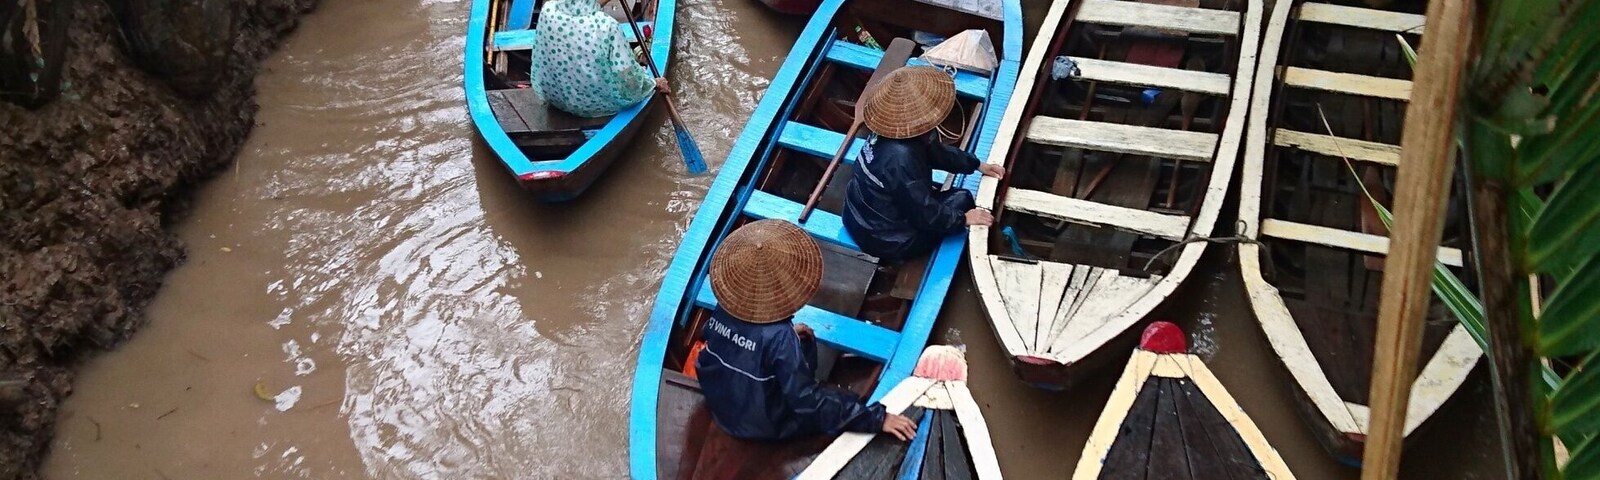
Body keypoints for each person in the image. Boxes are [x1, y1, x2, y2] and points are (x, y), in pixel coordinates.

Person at [695, 219, 918, 442]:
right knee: (835, 401)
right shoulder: (779, 336)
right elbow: (805, 402)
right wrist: (877, 419)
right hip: (763, 424)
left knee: (800, 346)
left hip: (719, 403)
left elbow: (738, 340)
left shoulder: (727, 305)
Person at [842, 66, 1005, 262]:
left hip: (856, 214)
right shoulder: (902, 157)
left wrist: (977, 164)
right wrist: (963, 218)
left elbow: (936, 153)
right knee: (962, 198)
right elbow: (924, 214)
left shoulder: (888, 131)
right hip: (887, 238)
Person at [527, 0, 670, 118]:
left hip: (556, 99)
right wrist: (652, 84)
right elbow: (628, 77)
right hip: (596, 107)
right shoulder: (606, 25)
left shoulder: (548, 10)